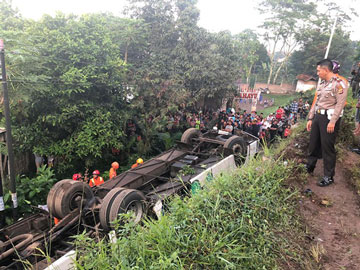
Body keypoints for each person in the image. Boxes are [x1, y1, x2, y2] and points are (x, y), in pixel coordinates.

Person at [306, 59, 348, 187]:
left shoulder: (339, 84)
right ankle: (310, 167)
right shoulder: (323, 83)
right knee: (313, 144)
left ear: (326, 70)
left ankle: (328, 176)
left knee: (327, 147)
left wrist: (333, 122)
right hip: (318, 117)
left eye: (319, 70)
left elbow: (340, 105)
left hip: (329, 119)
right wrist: (310, 118)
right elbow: (317, 101)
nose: (317, 72)